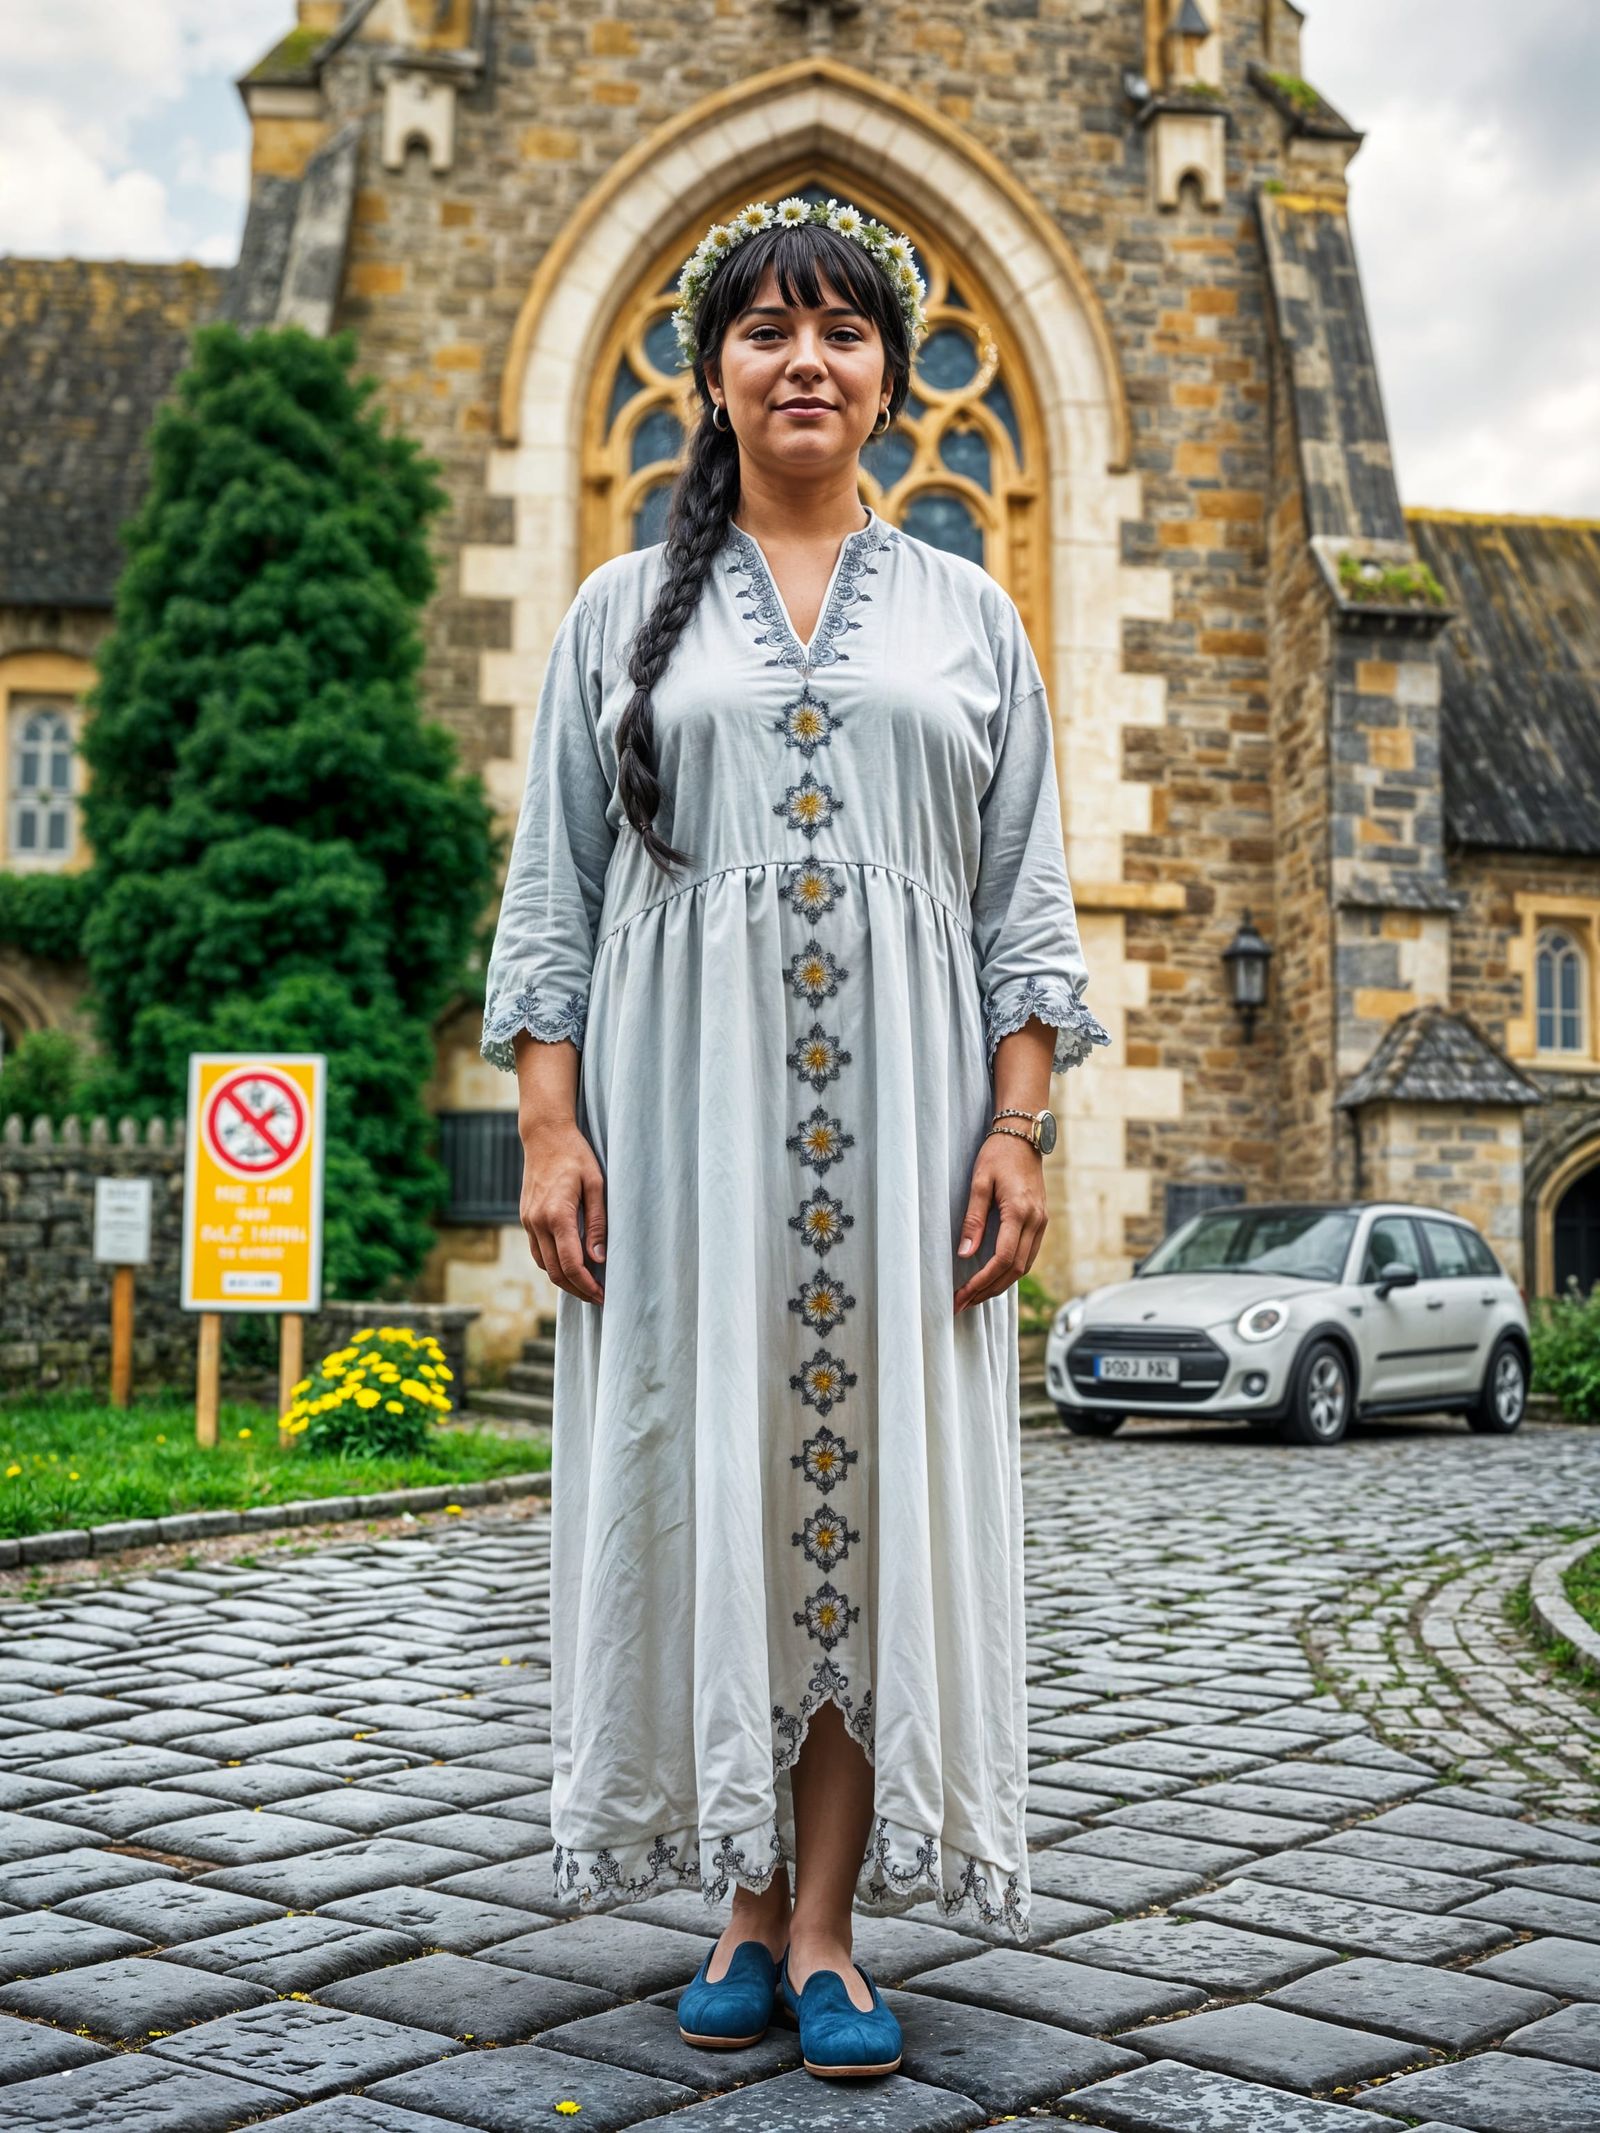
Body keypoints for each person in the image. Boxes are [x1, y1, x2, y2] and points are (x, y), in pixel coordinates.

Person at [480, 193, 1110, 2080]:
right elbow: (553, 899)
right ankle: (734, 1896)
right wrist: (549, 1126)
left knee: (868, 1496)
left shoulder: (969, 613)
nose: (806, 360)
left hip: (913, 1138)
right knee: (720, 1481)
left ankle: (821, 1924)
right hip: (680, 1136)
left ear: (893, 383)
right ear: (716, 371)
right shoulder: (616, 612)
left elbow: (1027, 904)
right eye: (766, 332)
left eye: (843, 332)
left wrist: (1018, 1129)